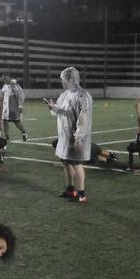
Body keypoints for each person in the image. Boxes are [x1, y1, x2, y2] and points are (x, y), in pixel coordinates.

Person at [46, 66, 93, 202]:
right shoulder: (65, 95)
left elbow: (83, 119)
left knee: (77, 164)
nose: (62, 82)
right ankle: (70, 190)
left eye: (63, 80)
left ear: (70, 80)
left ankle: (81, 194)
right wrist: (53, 107)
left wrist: (78, 138)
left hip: (75, 136)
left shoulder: (83, 95)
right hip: (64, 135)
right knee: (65, 161)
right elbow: (61, 111)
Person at [0, 76, 28, 141]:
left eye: (5, 79)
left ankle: (24, 133)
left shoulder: (15, 86)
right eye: (3, 80)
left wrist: (21, 106)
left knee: (16, 122)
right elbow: (2, 94)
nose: (4, 81)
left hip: (13, 107)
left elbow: (21, 96)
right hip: (6, 108)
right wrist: (1, 98)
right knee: (5, 122)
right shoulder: (4, 86)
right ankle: (7, 138)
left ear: (9, 79)